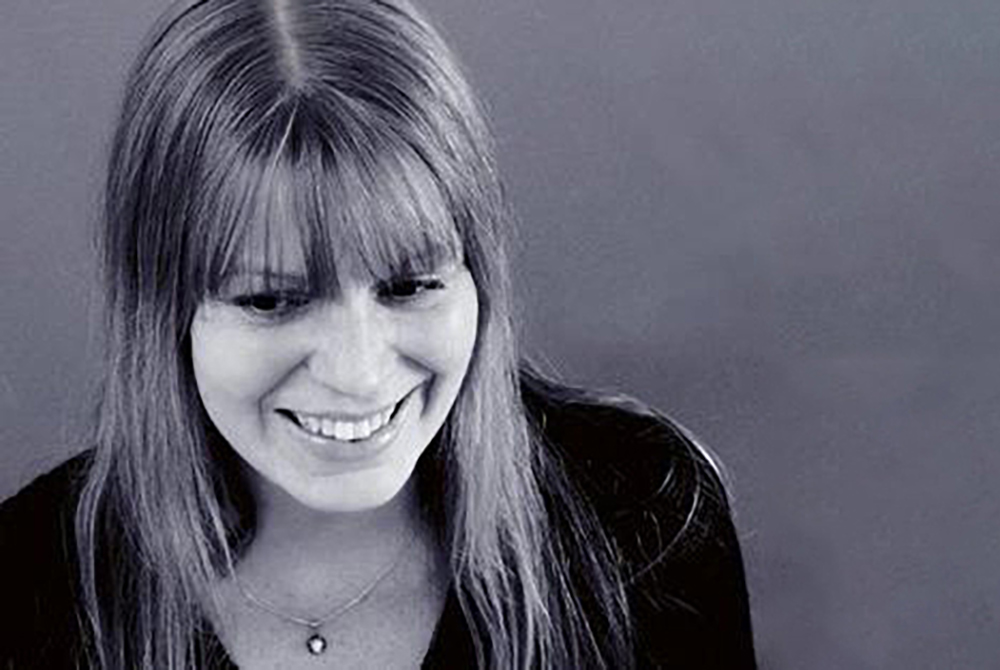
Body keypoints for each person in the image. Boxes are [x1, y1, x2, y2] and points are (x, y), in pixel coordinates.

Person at [0, 0, 756, 667]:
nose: (358, 373)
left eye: (410, 286)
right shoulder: (29, 584)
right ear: (161, 306)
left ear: (481, 275)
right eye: (270, 300)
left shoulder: (642, 520)